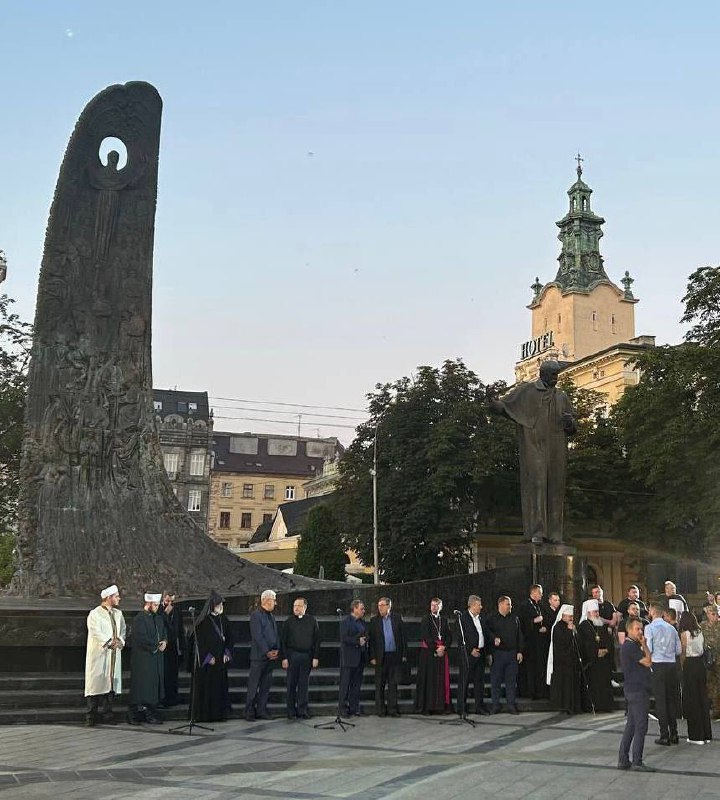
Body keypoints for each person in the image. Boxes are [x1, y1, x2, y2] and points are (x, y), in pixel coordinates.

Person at [490, 360, 576, 543]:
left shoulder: (562, 396)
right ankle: (537, 532)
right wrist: (492, 401)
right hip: (534, 445)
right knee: (536, 485)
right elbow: (504, 407)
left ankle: (555, 534)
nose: (556, 378)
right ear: (543, 374)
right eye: (553, 375)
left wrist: (570, 423)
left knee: (556, 488)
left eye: (557, 375)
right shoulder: (527, 391)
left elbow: (572, 428)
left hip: (556, 446)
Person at [84, 584, 126, 726]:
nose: (119, 598)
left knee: (110, 684)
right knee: (95, 684)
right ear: (109, 598)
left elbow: (123, 630)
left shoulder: (118, 614)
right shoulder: (95, 614)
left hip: (113, 655)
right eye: (116, 596)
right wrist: (109, 642)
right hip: (99, 654)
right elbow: (95, 632)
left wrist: (120, 641)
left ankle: (108, 714)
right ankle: (91, 716)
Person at [617, 618, 655, 772]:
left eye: (641, 629)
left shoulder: (631, 645)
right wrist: (645, 644)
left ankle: (623, 759)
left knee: (631, 726)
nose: (641, 632)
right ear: (629, 630)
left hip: (634, 689)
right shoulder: (630, 646)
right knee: (640, 726)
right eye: (637, 629)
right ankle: (637, 761)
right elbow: (648, 662)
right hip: (637, 690)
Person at [193, 590, 233, 722]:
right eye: (218, 604)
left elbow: (231, 639)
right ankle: (206, 715)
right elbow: (199, 642)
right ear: (212, 606)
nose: (221, 607)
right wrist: (207, 657)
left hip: (221, 660)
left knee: (219, 689)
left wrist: (227, 652)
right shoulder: (203, 622)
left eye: (221, 604)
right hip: (208, 663)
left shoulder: (224, 619)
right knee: (208, 689)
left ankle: (219, 714)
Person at [645, 601, 682, 745]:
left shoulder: (650, 628)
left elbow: (649, 648)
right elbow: (679, 650)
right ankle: (675, 733)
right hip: (671, 666)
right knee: (671, 700)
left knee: (661, 701)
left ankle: (664, 735)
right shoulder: (672, 629)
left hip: (658, 665)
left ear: (653, 612)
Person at [127, 592, 167, 725]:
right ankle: (134, 714)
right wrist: (155, 646)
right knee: (142, 688)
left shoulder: (158, 618)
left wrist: (164, 642)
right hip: (143, 659)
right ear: (148, 604)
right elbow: (141, 638)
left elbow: (163, 633)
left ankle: (150, 713)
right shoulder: (140, 619)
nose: (157, 607)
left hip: (156, 659)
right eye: (155, 605)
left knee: (152, 687)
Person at [281, 597, 321, 720]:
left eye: (299, 606)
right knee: (291, 684)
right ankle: (291, 711)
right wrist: (284, 658)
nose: (296, 608)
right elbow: (283, 641)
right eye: (294, 606)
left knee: (304, 685)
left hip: (307, 656)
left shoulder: (312, 621)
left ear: (305, 607)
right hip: (292, 656)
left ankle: (302, 710)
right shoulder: (288, 622)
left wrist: (315, 657)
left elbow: (317, 640)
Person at [368, 596, 407, 717]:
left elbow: (403, 638)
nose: (380, 608)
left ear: (389, 606)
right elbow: (372, 641)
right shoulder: (374, 621)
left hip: (394, 656)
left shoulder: (397, 619)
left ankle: (392, 709)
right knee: (379, 684)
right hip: (381, 657)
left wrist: (404, 654)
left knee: (393, 684)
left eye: (382, 605)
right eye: (379, 605)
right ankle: (380, 710)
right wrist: (372, 656)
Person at [679, 611, 712, 744]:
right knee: (702, 698)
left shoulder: (684, 634)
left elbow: (683, 653)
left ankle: (696, 735)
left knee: (692, 699)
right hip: (700, 665)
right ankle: (706, 734)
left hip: (690, 665)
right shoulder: (699, 632)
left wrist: (682, 668)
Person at [415, 597, 453, 715]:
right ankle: (427, 708)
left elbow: (449, 636)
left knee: (441, 681)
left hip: (442, 653)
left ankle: (441, 707)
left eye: (436, 605)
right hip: (429, 654)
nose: (434, 607)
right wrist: (437, 649)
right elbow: (425, 636)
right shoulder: (426, 619)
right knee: (429, 681)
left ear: (441, 607)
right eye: (432, 605)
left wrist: (444, 647)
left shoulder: (444, 620)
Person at [246, 589, 280, 721]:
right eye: (274, 599)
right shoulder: (256, 615)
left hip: (271, 657)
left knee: (266, 686)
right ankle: (249, 711)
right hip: (259, 657)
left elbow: (275, 634)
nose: (275, 603)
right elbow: (258, 636)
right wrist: (267, 651)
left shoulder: (271, 616)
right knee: (253, 685)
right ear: (266, 600)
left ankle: (261, 710)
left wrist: (277, 649)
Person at [486, 596, 524, 714]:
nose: (510, 606)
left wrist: (520, 651)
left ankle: (511, 705)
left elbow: (519, 636)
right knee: (495, 681)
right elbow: (486, 634)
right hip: (498, 654)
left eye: (510, 604)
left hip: (512, 654)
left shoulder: (514, 618)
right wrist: (493, 641)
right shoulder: (491, 619)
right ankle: (495, 705)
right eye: (508, 604)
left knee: (511, 681)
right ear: (501, 604)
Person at [577, 599, 614, 712]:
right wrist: (595, 652)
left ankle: (606, 706)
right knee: (594, 684)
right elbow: (583, 644)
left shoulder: (601, 624)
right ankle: (593, 706)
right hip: (592, 662)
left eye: (597, 611)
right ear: (588, 613)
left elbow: (609, 639)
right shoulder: (583, 626)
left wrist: (606, 650)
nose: (597, 614)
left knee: (604, 684)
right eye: (594, 612)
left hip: (603, 661)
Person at [456, 595, 490, 716]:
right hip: (468, 655)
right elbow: (460, 638)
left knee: (479, 682)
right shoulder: (462, 618)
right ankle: (462, 708)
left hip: (480, 653)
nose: (481, 607)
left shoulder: (481, 618)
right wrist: (470, 650)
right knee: (464, 682)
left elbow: (484, 634)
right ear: (472, 605)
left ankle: (479, 707)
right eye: (479, 605)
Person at [546, 604, 583, 715]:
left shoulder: (570, 626)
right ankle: (566, 706)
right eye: (569, 616)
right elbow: (562, 643)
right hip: (562, 662)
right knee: (565, 685)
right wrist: (569, 631)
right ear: (562, 616)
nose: (571, 618)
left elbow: (577, 641)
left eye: (571, 617)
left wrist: (574, 632)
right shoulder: (558, 627)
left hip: (572, 661)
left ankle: (574, 705)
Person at [518, 584, 550, 700]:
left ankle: (541, 691)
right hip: (530, 643)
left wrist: (545, 627)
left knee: (541, 667)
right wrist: (533, 621)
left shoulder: (541, 605)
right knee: (531, 668)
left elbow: (547, 620)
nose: (542, 595)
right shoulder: (524, 606)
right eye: (540, 592)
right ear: (534, 592)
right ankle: (531, 692)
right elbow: (521, 624)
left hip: (541, 643)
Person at [338, 600, 367, 717]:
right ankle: (342, 708)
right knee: (345, 685)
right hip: (349, 658)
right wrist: (357, 641)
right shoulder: (346, 622)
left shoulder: (362, 622)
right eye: (362, 609)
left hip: (360, 658)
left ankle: (354, 707)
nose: (364, 611)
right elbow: (344, 638)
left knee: (356, 685)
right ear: (354, 609)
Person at [160, 591, 185, 707]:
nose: (169, 603)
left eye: (171, 601)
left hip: (173, 646)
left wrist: (183, 648)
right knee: (164, 674)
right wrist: (165, 614)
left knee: (173, 674)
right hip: (163, 647)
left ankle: (173, 697)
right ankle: (163, 698)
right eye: (167, 601)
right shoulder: (159, 611)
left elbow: (180, 629)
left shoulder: (177, 611)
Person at [700, 604, 720, 719]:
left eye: (717, 613)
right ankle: (712, 707)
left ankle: (717, 709)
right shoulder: (702, 626)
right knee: (709, 684)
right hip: (708, 660)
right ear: (707, 614)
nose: (715, 616)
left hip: (719, 660)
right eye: (713, 614)